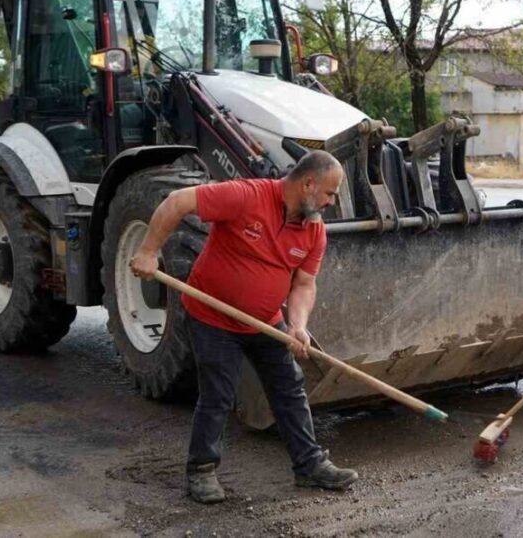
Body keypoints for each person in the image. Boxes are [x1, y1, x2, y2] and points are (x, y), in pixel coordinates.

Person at [130, 150, 358, 503]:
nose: (332, 201)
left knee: (289, 387)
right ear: (308, 184)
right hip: (213, 317)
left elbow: (304, 285)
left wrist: (297, 326)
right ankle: (201, 470)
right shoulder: (247, 196)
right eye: (330, 193)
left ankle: (309, 466)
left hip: (265, 322)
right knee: (219, 393)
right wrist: (148, 251)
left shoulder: (314, 231)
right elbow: (177, 202)